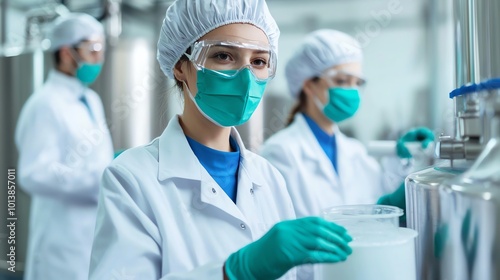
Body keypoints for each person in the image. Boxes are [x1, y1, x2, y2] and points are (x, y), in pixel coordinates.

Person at [88, 1, 354, 279]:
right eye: (224, 56)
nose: (246, 77)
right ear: (181, 65)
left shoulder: (269, 177)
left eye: (259, 61)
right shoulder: (132, 179)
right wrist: (233, 272)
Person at [260, 29, 435, 219]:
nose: (352, 91)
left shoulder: (355, 151)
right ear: (309, 85)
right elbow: (299, 230)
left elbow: (383, 200)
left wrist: (401, 157)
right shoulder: (280, 152)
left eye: (357, 82)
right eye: (342, 80)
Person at [15, 13, 113, 280]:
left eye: (101, 49)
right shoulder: (44, 105)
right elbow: (33, 173)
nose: (99, 59)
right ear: (67, 53)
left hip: (91, 234)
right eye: (92, 49)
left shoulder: (90, 100)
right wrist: (100, 177)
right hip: (60, 244)